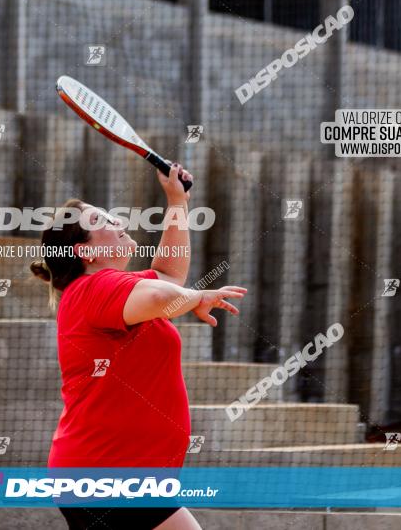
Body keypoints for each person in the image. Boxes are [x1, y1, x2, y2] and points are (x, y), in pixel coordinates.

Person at [30, 163, 246, 530]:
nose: (115, 220)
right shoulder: (93, 289)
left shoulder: (115, 287)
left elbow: (168, 275)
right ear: (85, 251)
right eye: (100, 219)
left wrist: (177, 200)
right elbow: (166, 293)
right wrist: (197, 297)